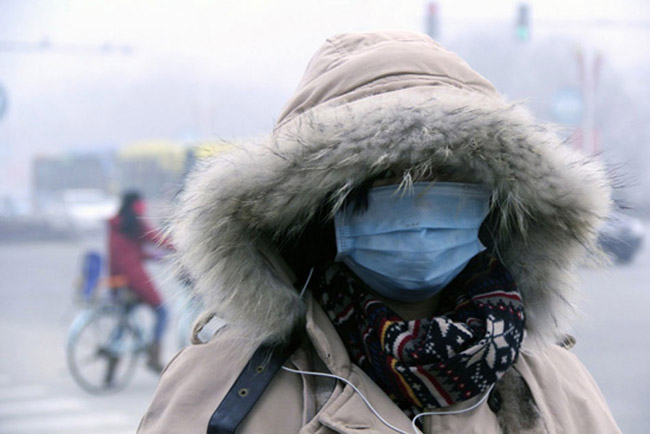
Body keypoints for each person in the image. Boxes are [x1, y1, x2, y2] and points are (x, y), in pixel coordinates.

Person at [138, 32, 620, 433]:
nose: (423, 205)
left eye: (450, 178)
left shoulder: (555, 387)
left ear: (493, 200)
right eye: (390, 180)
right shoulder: (224, 388)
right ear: (321, 208)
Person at [108, 191, 173, 373]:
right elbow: (158, 240)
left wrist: (152, 256)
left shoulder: (115, 225)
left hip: (120, 279)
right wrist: (182, 247)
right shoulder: (137, 224)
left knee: (125, 317)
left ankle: (112, 360)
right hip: (136, 278)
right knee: (162, 312)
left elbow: (122, 255)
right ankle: (153, 356)